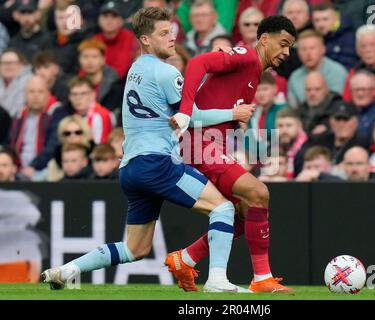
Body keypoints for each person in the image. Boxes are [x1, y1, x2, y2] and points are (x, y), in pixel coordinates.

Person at [41, 7, 249, 293]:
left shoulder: (135, 70)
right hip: (157, 164)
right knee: (223, 208)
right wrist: (233, 113)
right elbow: (194, 116)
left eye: (172, 31)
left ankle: (67, 270)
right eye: (164, 33)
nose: (172, 37)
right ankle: (216, 280)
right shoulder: (166, 71)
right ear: (145, 40)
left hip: (130, 169)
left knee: (135, 248)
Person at [165, 15, 297, 293]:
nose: (286, 52)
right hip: (200, 144)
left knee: (244, 213)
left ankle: (186, 258)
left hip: (211, 145)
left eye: (290, 47)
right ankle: (262, 278)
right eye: (283, 44)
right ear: (264, 39)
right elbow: (199, 62)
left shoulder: (254, 72)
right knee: (259, 193)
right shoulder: (247, 57)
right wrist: (186, 110)